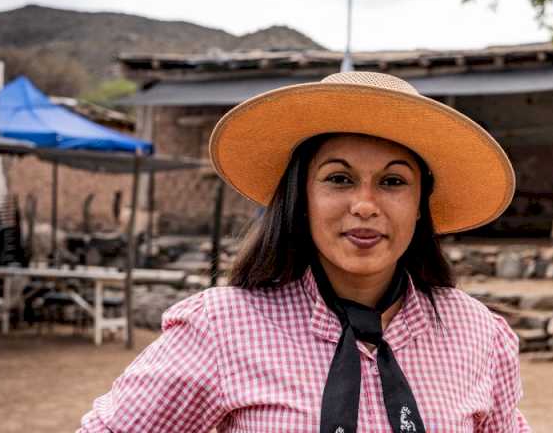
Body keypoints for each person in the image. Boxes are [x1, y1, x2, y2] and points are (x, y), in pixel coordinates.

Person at [77, 72, 529, 432]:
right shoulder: (221, 328)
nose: (365, 206)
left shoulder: (479, 335)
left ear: (419, 206)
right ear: (300, 197)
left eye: (393, 182)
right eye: (339, 178)